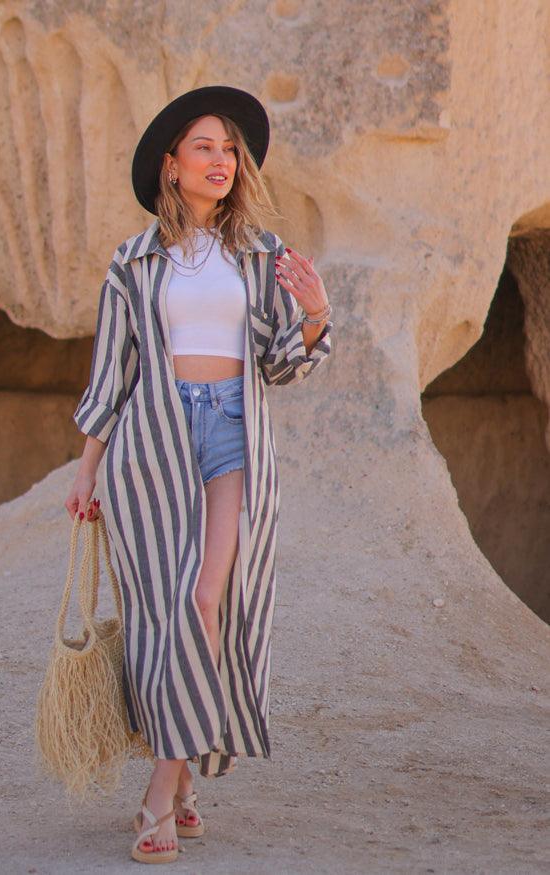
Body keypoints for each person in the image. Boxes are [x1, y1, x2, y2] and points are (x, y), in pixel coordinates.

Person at [64, 85, 333, 864]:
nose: (221, 161)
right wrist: (86, 470)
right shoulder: (134, 259)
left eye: (229, 150)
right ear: (172, 165)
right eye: (204, 148)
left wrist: (314, 313)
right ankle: (182, 788)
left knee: (207, 596)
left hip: (233, 436)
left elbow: (284, 364)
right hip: (152, 444)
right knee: (166, 613)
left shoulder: (262, 253)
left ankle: (157, 791)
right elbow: (111, 371)